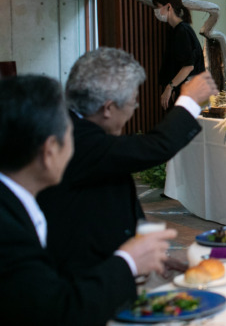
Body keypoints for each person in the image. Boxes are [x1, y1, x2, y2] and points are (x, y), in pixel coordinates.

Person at [0, 75, 177, 326]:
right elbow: (58, 313)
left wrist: (137, 259)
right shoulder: (8, 230)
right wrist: (127, 262)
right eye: (71, 137)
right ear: (49, 151)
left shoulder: (19, 201)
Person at [37, 47, 217, 275]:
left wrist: (146, 254)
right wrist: (189, 101)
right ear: (108, 108)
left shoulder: (74, 127)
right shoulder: (72, 138)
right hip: (83, 276)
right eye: (133, 103)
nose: (133, 111)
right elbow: (154, 147)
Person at [153, 0, 206, 110]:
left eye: (158, 7)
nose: (156, 11)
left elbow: (188, 66)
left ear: (169, 7)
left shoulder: (182, 31)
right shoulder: (177, 31)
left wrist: (170, 87)